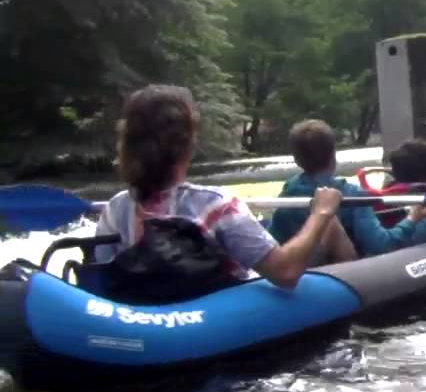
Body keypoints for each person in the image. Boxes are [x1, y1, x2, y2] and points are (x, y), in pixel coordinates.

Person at [93, 85, 354, 292]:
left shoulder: (114, 209)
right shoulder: (216, 205)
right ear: (188, 145)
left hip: (149, 313)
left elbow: (104, 277)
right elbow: (285, 273)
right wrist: (321, 212)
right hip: (224, 318)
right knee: (329, 228)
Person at [268, 120, 426, 257]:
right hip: (340, 271)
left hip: (304, 263)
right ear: (333, 155)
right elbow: (381, 245)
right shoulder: (353, 194)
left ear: (297, 160)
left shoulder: (287, 194)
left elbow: (273, 241)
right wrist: (412, 219)